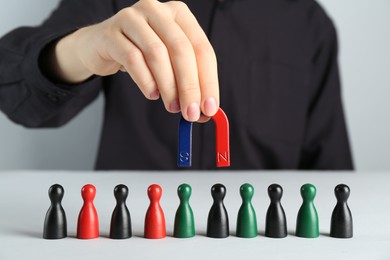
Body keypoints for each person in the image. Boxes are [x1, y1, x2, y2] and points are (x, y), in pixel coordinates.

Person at [0, 0, 354, 170]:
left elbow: (331, 168)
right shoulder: (122, 4)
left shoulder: (308, 23)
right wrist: (82, 48)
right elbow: (12, 89)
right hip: (132, 236)